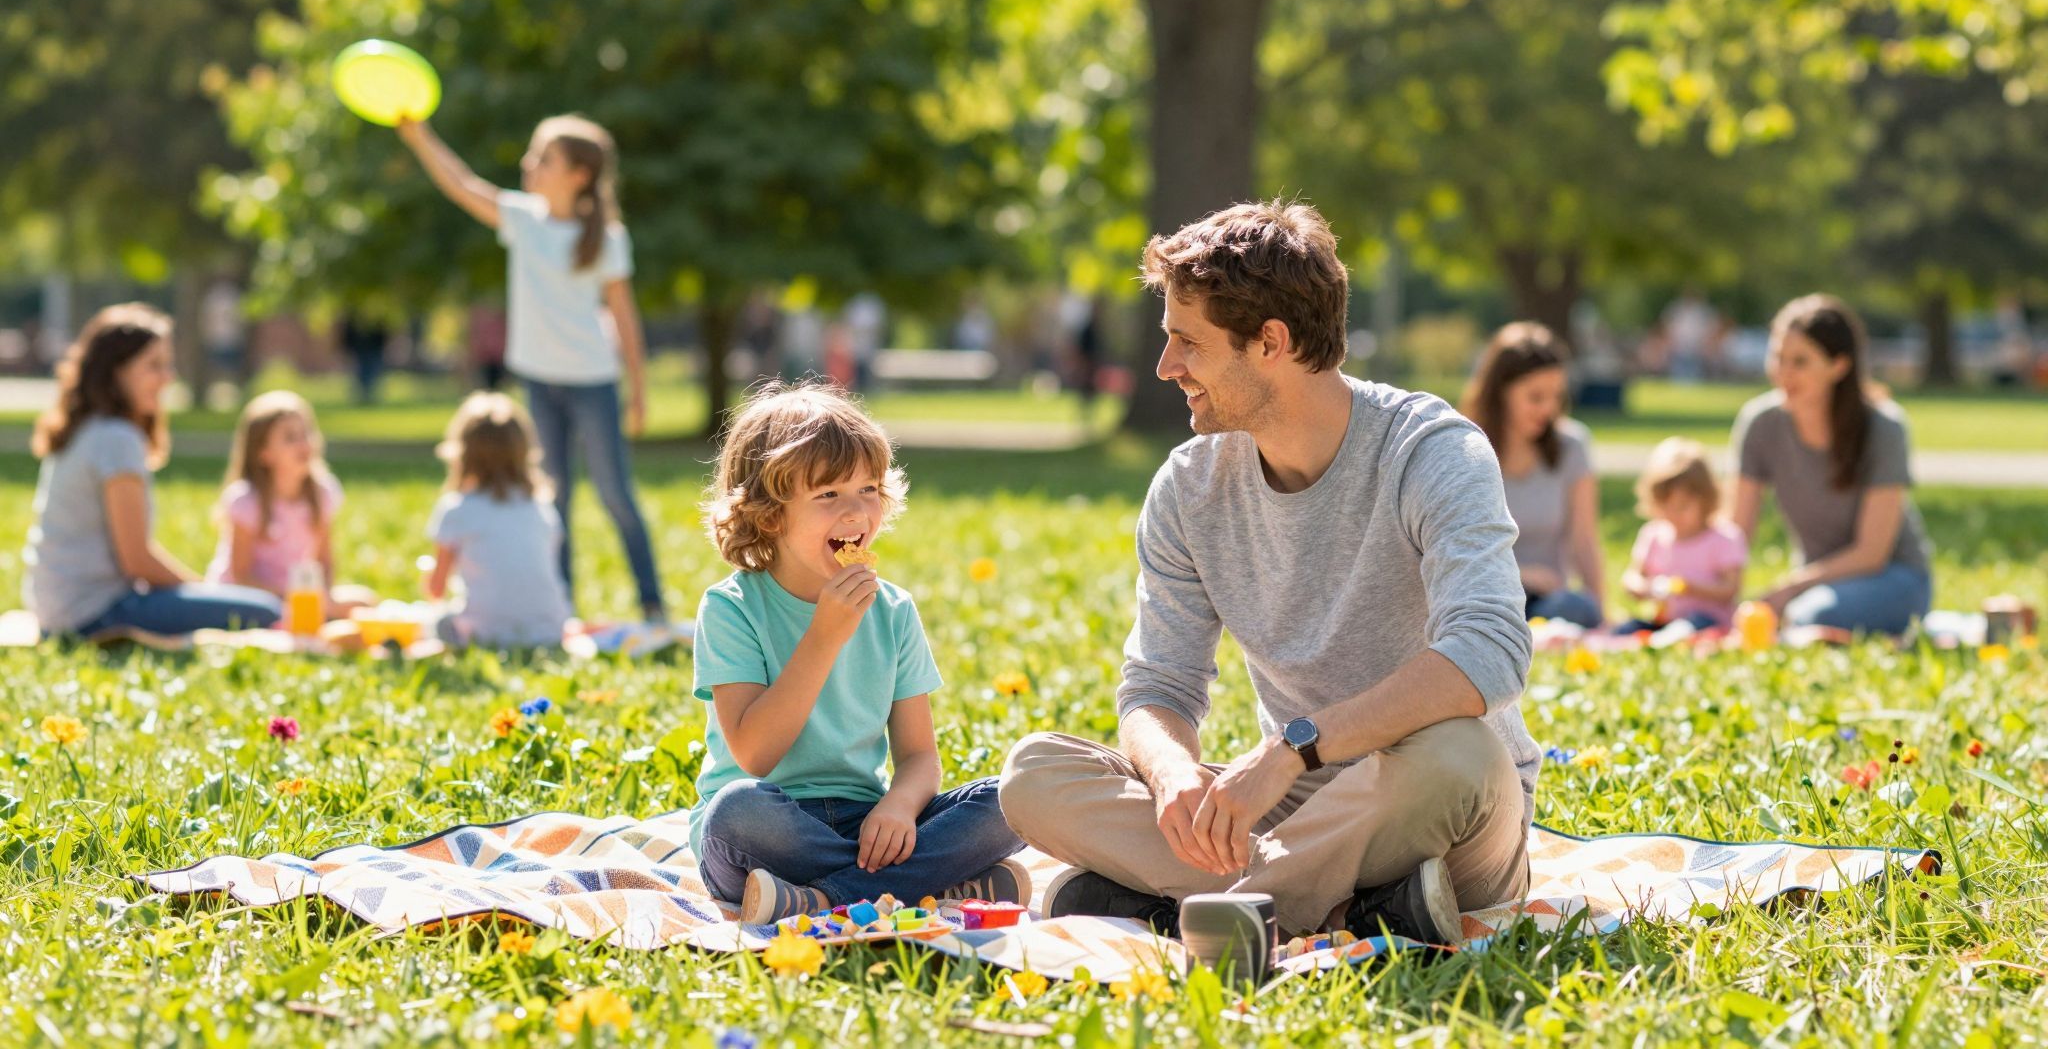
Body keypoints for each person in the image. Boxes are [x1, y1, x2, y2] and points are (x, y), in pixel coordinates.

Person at [999, 202, 1537, 956]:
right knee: (1034, 774)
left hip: (1427, 801)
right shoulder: (1190, 486)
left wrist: (1292, 748)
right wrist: (1173, 776)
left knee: (1463, 754)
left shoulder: (1431, 450)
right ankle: (1355, 910)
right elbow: (1157, 687)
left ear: (1271, 343)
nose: (1166, 368)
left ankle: (1176, 905)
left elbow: (1488, 654)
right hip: (1294, 807)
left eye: (1188, 343)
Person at [689, 383, 1027, 926]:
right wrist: (824, 635)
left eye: (868, 489)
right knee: (736, 810)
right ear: (770, 514)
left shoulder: (892, 610)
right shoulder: (731, 608)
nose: (856, 512)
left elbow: (918, 756)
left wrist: (898, 806)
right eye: (828, 495)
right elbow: (755, 754)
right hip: (766, 829)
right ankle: (925, 882)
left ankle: (822, 898)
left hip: (864, 822)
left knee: (1016, 797)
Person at [397, 114, 666, 623]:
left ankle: (652, 602)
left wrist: (639, 392)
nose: (529, 165)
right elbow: (460, 186)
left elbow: (625, 319)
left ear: (579, 175)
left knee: (616, 496)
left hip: (593, 382)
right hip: (540, 383)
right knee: (553, 504)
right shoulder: (522, 219)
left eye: (544, 158)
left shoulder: (606, 238)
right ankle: (560, 608)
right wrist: (420, 135)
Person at [23, 304, 282, 640]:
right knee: (266, 609)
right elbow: (137, 561)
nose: (168, 377)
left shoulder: (87, 429)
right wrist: (202, 590)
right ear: (116, 371)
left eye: (167, 364)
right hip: (93, 613)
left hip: (56, 608)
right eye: (154, 366)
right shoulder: (116, 438)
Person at [1731, 295, 1933, 635]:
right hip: (1816, 584)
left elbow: (1872, 553)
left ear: (1839, 366)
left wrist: (1790, 588)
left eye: (1800, 362)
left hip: (1895, 578)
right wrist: (1719, 598)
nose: (1783, 373)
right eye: (1778, 357)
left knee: (1812, 615)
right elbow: (1736, 534)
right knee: (1793, 615)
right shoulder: (1760, 424)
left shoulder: (1883, 429)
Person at [1461, 323, 1607, 629]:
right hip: (1484, 597)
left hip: (1550, 604)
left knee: (1578, 609)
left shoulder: (1572, 447)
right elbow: (1460, 550)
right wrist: (1523, 574)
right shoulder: (1465, 450)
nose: (1549, 409)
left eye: (1556, 396)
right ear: (1500, 392)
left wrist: (1601, 614)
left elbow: (1585, 540)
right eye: (1535, 397)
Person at [206, 390, 377, 619]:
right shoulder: (247, 500)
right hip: (247, 596)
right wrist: (290, 596)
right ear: (264, 454)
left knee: (365, 601)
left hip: (296, 594)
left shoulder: (322, 493)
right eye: (290, 437)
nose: (303, 443)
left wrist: (323, 597)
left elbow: (325, 561)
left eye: (306, 433)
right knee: (272, 612)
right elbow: (241, 576)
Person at [422, 392, 574, 648]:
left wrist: (427, 572)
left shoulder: (456, 509)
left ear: (463, 454)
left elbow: (436, 589)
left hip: (484, 634)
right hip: (550, 631)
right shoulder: (541, 508)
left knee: (435, 623)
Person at [1615, 438, 1747, 635]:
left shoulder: (1723, 538)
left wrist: (1690, 588)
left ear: (1705, 500)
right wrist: (1644, 587)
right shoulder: (1654, 535)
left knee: (1688, 628)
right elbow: (1633, 576)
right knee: (1626, 630)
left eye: (1682, 507)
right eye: (1665, 506)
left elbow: (1730, 589)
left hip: (1709, 622)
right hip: (1665, 619)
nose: (1673, 514)